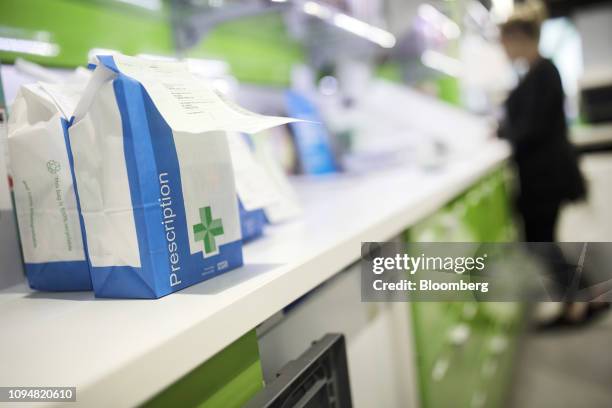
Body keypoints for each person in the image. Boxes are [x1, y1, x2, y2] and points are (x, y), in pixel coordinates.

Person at [498, 3, 608, 326]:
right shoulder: (534, 73)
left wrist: (507, 130)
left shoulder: (544, 72)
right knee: (543, 242)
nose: (503, 49)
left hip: (546, 176)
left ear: (519, 38)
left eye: (505, 42)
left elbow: (529, 127)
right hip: (541, 175)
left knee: (541, 244)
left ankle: (579, 303)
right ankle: (585, 298)